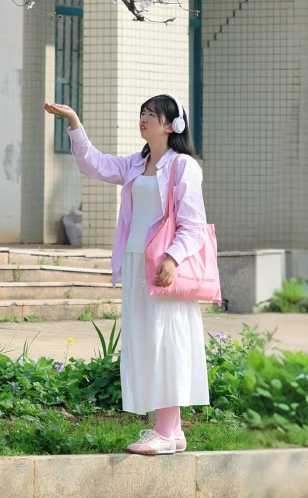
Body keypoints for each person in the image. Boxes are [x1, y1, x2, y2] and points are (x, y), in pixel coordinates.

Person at [43, 93, 209, 455]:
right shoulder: (137, 163)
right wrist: (74, 123)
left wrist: (173, 258)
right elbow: (94, 165)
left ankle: (165, 431)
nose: (144, 119)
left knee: (166, 342)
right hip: (135, 264)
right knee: (146, 342)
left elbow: (193, 225)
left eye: (152, 114)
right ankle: (173, 431)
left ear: (171, 125)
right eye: (143, 113)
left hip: (164, 266)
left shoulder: (183, 167)